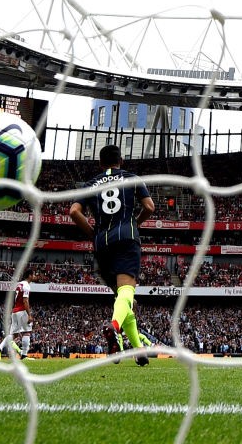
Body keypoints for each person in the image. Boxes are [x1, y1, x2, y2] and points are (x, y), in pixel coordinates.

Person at [69, 145, 156, 367]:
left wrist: (92, 233)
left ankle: (139, 350)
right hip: (126, 238)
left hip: (102, 243)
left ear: (100, 163)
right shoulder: (131, 178)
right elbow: (149, 207)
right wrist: (134, 224)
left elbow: (73, 211)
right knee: (127, 292)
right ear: (122, 161)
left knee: (123, 299)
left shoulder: (90, 184)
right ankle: (114, 327)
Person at [0, 270, 35, 359]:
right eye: (33, 275)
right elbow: (25, 300)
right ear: (30, 275)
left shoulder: (19, 284)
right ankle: (24, 355)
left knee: (14, 334)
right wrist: (29, 314)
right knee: (27, 332)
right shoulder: (26, 285)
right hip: (22, 311)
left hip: (15, 311)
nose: (34, 276)